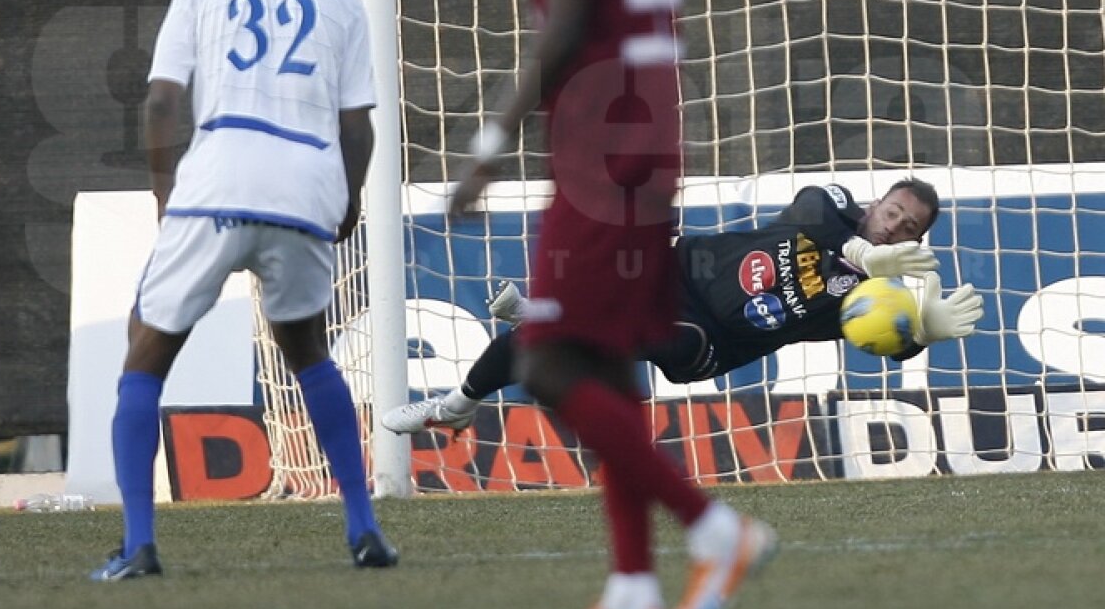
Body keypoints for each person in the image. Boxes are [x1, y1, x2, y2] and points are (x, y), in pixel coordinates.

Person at [447, 0, 771, 609]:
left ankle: (716, 528)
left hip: (601, 146)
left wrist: (490, 139)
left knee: (546, 357)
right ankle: (632, 589)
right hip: (651, 131)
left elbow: (564, 22)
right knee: (608, 360)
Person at [90, 0, 397, 581]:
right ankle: (363, 526)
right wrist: (348, 198)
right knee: (308, 350)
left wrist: (164, 191)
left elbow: (162, 102)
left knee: (145, 350)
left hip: (218, 180)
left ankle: (138, 543)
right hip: (305, 186)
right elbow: (358, 126)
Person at [385, 179, 984, 433]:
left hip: (710, 337)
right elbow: (812, 213)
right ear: (875, 204)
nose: (894, 226)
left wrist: (924, 330)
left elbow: (890, 339)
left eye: (908, 227)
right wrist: (862, 251)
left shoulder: (877, 295)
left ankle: (553, 315)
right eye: (892, 212)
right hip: (677, 269)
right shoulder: (834, 203)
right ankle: (457, 405)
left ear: (916, 240)